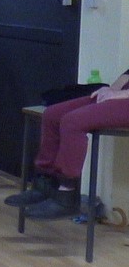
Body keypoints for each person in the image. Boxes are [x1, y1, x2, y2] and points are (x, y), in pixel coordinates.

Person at [15, 70, 129, 219]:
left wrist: (123, 94)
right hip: (123, 96)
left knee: (73, 122)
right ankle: (46, 183)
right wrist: (112, 90)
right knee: (52, 115)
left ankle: (66, 194)